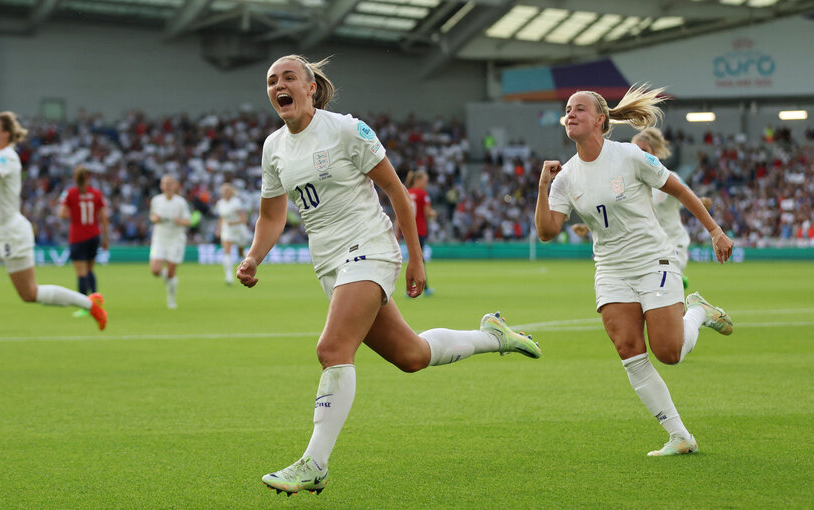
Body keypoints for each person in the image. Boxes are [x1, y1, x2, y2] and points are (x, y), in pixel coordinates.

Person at [240, 54, 541, 497]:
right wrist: (253, 257)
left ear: (310, 87)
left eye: (288, 77)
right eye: (271, 80)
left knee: (332, 348)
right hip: (328, 263)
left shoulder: (346, 129)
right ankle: (494, 335)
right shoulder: (273, 147)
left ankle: (315, 463)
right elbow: (272, 214)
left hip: (370, 247)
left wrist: (414, 257)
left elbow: (398, 193)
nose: (278, 85)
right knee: (412, 355)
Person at [534, 85, 734, 456]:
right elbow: (546, 233)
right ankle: (679, 436)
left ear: (600, 120)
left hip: (652, 260)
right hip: (610, 269)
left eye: (579, 108)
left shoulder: (629, 156)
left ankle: (699, 312)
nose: (571, 113)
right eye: (567, 109)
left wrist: (715, 230)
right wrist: (543, 186)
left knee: (669, 352)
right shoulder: (565, 176)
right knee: (628, 348)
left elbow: (679, 189)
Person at [0, 112, 107, 359]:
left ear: (5, 134)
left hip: (13, 235)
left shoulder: (6, 157)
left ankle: (91, 304)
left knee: (30, 293)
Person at [571, 127, 713, 288]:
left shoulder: (669, 178)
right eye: (635, 150)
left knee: (662, 298)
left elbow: (687, 196)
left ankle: (691, 306)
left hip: (672, 247)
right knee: (654, 307)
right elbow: (619, 217)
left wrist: (701, 202)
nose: (639, 154)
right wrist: (588, 227)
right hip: (646, 251)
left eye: (644, 150)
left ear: (655, 154)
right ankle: (691, 307)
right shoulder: (626, 185)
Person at [58, 165, 109, 317]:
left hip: (78, 236)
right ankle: (97, 302)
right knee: (90, 270)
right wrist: (106, 237)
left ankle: (85, 307)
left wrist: (74, 212)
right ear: (89, 178)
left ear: (74, 177)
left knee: (81, 273)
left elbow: (62, 214)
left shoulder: (70, 193)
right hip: (94, 235)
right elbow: (103, 218)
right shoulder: (96, 194)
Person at [149, 174, 191, 309]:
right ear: (161, 186)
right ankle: (168, 278)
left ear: (174, 186)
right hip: (159, 239)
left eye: (169, 183)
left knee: (172, 272)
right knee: (155, 270)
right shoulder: (156, 200)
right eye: (164, 183)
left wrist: (180, 221)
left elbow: (188, 221)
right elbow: (152, 216)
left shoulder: (180, 202)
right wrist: (155, 219)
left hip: (175, 240)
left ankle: (171, 298)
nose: (167, 186)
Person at [404, 170, 436, 295]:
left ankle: (414, 287)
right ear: (418, 180)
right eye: (425, 181)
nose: (426, 184)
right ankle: (419, 288)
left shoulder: (407, 192)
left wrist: (397, 230)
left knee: (413, 258)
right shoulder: (423, 194)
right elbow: (428, 212)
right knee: (418, 260)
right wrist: (434, 213)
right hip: (420, 230)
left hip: (407, 230)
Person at [214, 182, 251, 285]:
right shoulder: (220, 203)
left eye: (227, 191)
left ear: (231, 192)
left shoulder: (236, 203)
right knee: (227, 251)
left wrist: (234, 223)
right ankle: (229, 277)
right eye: (224, 191)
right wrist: (219, 229)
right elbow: (221, 218)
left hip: (239, 230)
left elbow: (244, 219)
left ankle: (248, 269)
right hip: (227, 230)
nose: (225, 193)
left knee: (241, 253)